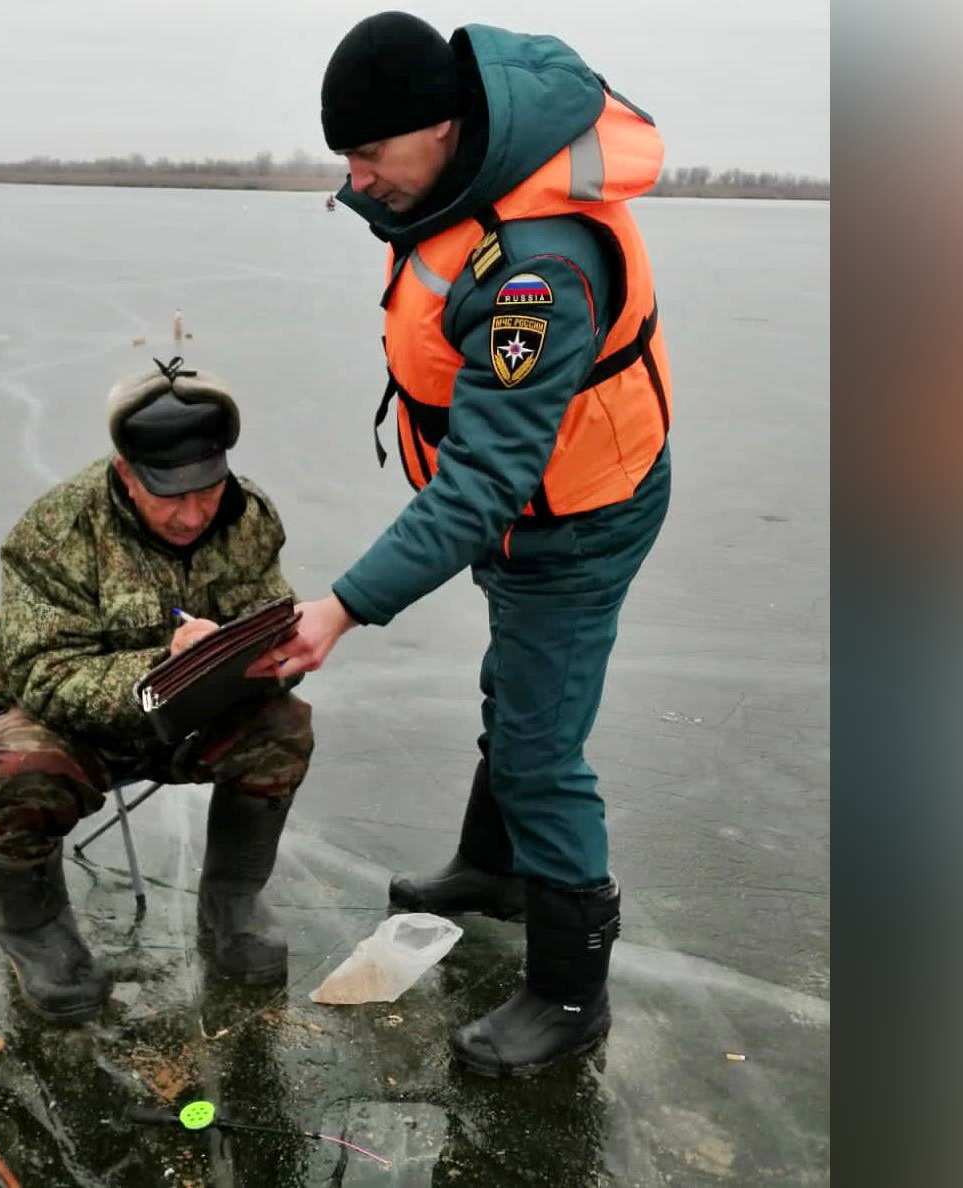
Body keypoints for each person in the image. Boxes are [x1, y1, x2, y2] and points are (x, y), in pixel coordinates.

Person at [262, 12, 675, 1076]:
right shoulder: (456, 173)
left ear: (444, 127)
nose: (357, 180)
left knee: (541, 750)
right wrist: (380, 190)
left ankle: (570, 995)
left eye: (370, 157)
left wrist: (341, 606)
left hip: (578, 516)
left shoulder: (539, 271)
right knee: (516, 693)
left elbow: (488, 482)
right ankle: (492, 870)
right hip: (524, 501)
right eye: (343, 158)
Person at [0, 359, 312, 1023]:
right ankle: (35, 929)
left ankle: (232, 899)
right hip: (78, 731)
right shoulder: (56, 532)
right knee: (16, 767)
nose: (191, 515)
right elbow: (43, 672)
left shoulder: (249, 518)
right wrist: (162, 666)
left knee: (283, 726)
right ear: (127, 473)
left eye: (206, 490)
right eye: (170, 494)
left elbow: (275, 623)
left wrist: (266, 657)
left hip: (197, 718)